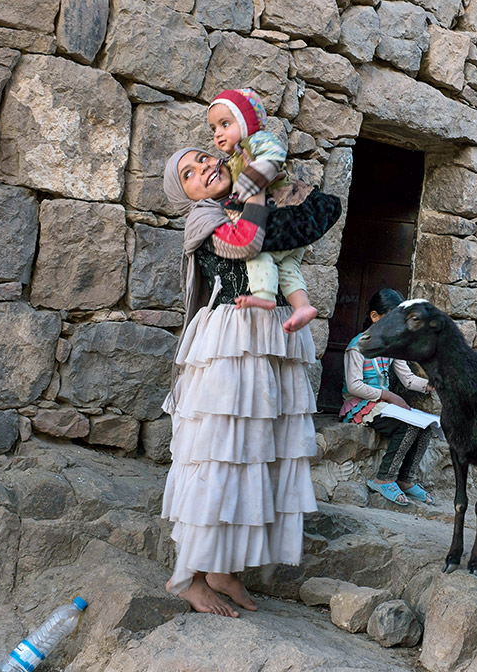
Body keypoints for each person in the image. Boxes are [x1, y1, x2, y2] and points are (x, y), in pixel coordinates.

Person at [159, 148, 322, 617]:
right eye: (187, 174)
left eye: (203, 159)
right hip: (230, 343)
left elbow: (298, 234)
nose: (202, 170)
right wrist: (255, 186)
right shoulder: (205, 221)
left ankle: (223, 570)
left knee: (255, 454)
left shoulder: (249, 201)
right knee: (217, 454)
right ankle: (186, 576)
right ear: (184, 193)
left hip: (270, 338)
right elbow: (247, 243)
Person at [204, 87, 336, 333]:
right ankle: (302, 305)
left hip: (282, 217)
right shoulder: (234, 157)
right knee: (288, 267)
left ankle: (264, 295)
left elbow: (273, 156)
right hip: (288, 227)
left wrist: (251, 180)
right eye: (214, 129)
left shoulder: (255, 140)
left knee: (259, 254)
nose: (218, 133)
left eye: (224, 124)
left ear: (247, 122)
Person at [340, 289, 436, 506]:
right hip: (362, 406)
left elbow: (408, 379)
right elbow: (354, 386)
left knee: (426, 428)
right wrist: (387, 395)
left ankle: (405, 480)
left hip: (384, 405)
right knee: (409, 427)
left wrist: (432, 385)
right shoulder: (357, 347)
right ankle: (383, 478)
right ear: (375, 317)